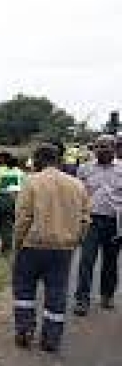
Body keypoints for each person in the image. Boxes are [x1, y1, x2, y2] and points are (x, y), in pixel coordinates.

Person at [12, 144, 90, 352]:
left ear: (38, 160)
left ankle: (24, 330)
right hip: (63, 249)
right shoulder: (77, 185)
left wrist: (17, 243)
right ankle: (51, 338)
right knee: (57, 291)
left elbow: (23, 217)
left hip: (32, 246)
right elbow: (85, 220)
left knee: (24, 289)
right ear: (58, 160)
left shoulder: (31, 182)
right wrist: (75, 241)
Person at [73, 135, 122, 315]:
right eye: (98, 146)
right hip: (90, 221)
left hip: (115, 221)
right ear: (94, 149)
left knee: (111, 261)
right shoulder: (84, 169)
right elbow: (78, 195)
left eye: (106, 146)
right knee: (86, 260)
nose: (102, 150)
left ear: (114, 148)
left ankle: (107, 296)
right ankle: (82, 300)